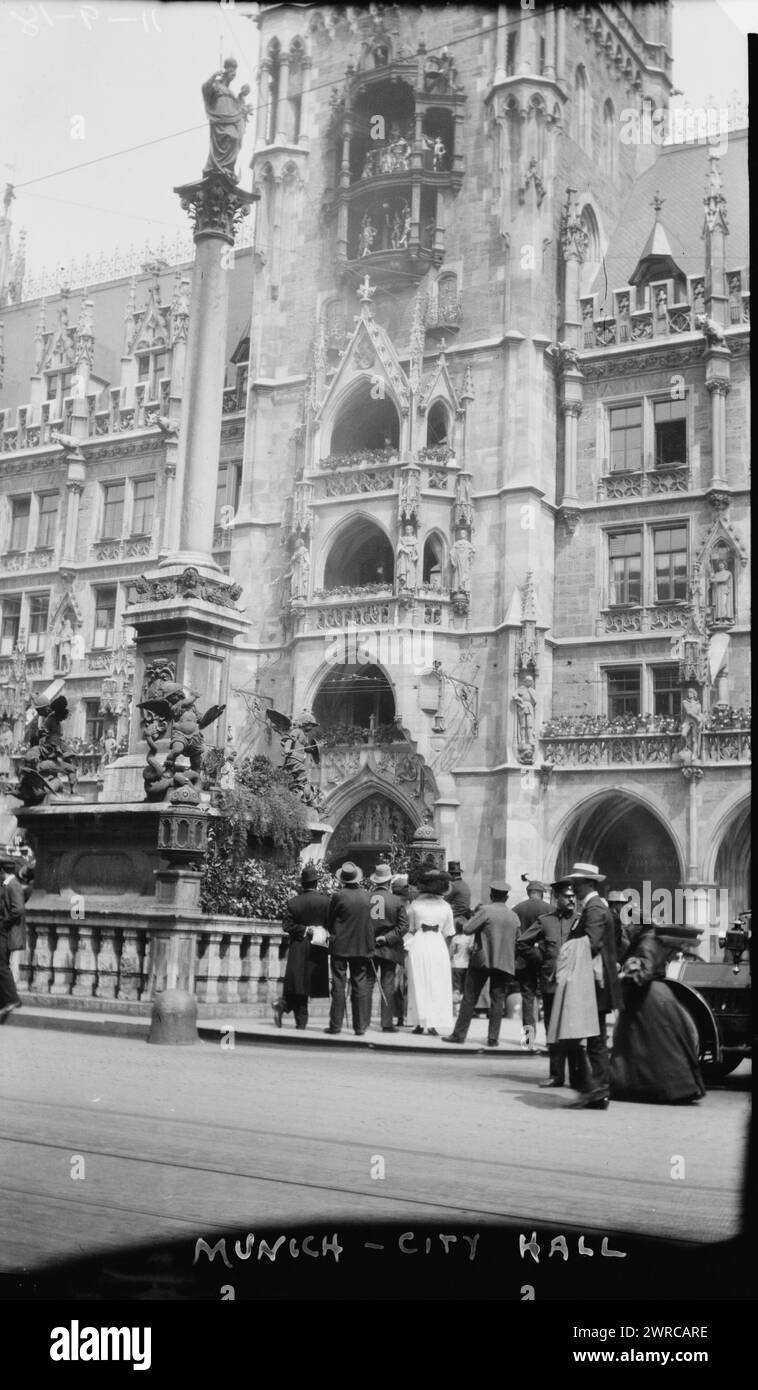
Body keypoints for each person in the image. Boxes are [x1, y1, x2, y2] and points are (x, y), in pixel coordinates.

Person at [610, 925, 706, 1104]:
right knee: (652, 1043)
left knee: (643, 1043)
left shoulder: (647, 941)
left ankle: (656, 1088)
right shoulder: (652, 938)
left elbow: (645, 971)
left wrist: (625, 976)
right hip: (653, 995)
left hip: (646, 997)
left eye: (631, 925)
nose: (627, 928)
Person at [517, 877, 589, 1089]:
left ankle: (527, 1043)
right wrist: (540, 959)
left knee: (573, 1030)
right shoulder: (545, 918)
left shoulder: (580, 919)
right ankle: (555, 1073)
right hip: (548, 979)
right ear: (554, 897)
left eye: (573, 896)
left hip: (573, 982)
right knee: (552, 1027)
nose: (571, 900)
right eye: (566, 896)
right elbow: (522, 943)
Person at [565, 862, 621, 1109]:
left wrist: (567, 952)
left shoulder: (594, 908)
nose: (573, 887)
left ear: (589, 883)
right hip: (594, 981)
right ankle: (596, 1088)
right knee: (592, 1035)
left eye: (576, 883)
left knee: (593, 1036)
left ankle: (597, 1089)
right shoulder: (593, 907)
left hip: (593, 982)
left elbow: (593, 943)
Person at [442, 881, 520, 1047]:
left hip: (482, 961)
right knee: (497, 1000)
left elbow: (468, 929)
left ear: (492, 895)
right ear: (506, 897)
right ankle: (493, 1038)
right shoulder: (513, 916)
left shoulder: (486, 910)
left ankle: (459, 1035)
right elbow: (517, 939)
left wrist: (461, 921)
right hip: (504, 962)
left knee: (469, 997)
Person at [273, 865, 330, 1031]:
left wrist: (304, 929)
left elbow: (287, 925)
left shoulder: (293, 902)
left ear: (302, 884)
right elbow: (331, 924)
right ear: (316, 883)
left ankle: (286, 1008)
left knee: (299, 983)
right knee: (308, 983)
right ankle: (298, 1019)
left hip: (299, 944)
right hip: (318, 945)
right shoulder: (326, 901)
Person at [324, 862, 375, 1036]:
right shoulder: (367, 896)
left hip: (340, 945)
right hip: (361, 947)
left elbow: (329, 920)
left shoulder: (338, 896)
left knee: (338, 985)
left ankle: (335, 1025)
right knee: (359, 985)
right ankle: (359, 1027)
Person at [405, 870, 455, 1036]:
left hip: (420, 942)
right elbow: (449, 932)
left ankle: (420, 1022)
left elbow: (410, 928)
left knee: (418, 981)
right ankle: (432, 1023)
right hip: (437, 944)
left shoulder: (415, 905)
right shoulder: (446, 907)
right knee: (437, 983)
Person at [367, 863, 408, 1032]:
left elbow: (361, 923)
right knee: (388, 984)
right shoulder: (397, 901)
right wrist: (387, 937)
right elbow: (403, 926)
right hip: (389, 948)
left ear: (375, 881)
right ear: (389, 881)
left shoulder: (366, 898)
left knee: (367, 983)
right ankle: (386, 1023)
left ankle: (363, 1021)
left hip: (370, 947)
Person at [513, 880, 550, 1049]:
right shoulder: (549, 909)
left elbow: (515, 936)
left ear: (529, 892)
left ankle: (528, 1040)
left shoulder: (518, 908)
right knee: (548, 998)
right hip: (543, 958)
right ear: (541, 893)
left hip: (524, 958)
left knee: (528, 998)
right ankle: (551, 1039)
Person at [0, 856, 25, 1022]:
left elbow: (18, 910)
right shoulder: (8, 885)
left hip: (6, 932)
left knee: (1, 965)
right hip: (5, 931)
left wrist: (3, 924)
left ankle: (12, 999)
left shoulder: (13, 885)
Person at [607, 890, 633, 960]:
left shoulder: (609, 914)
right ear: (614, 904)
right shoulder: (615, 918)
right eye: (621, 904)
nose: (623, 906)